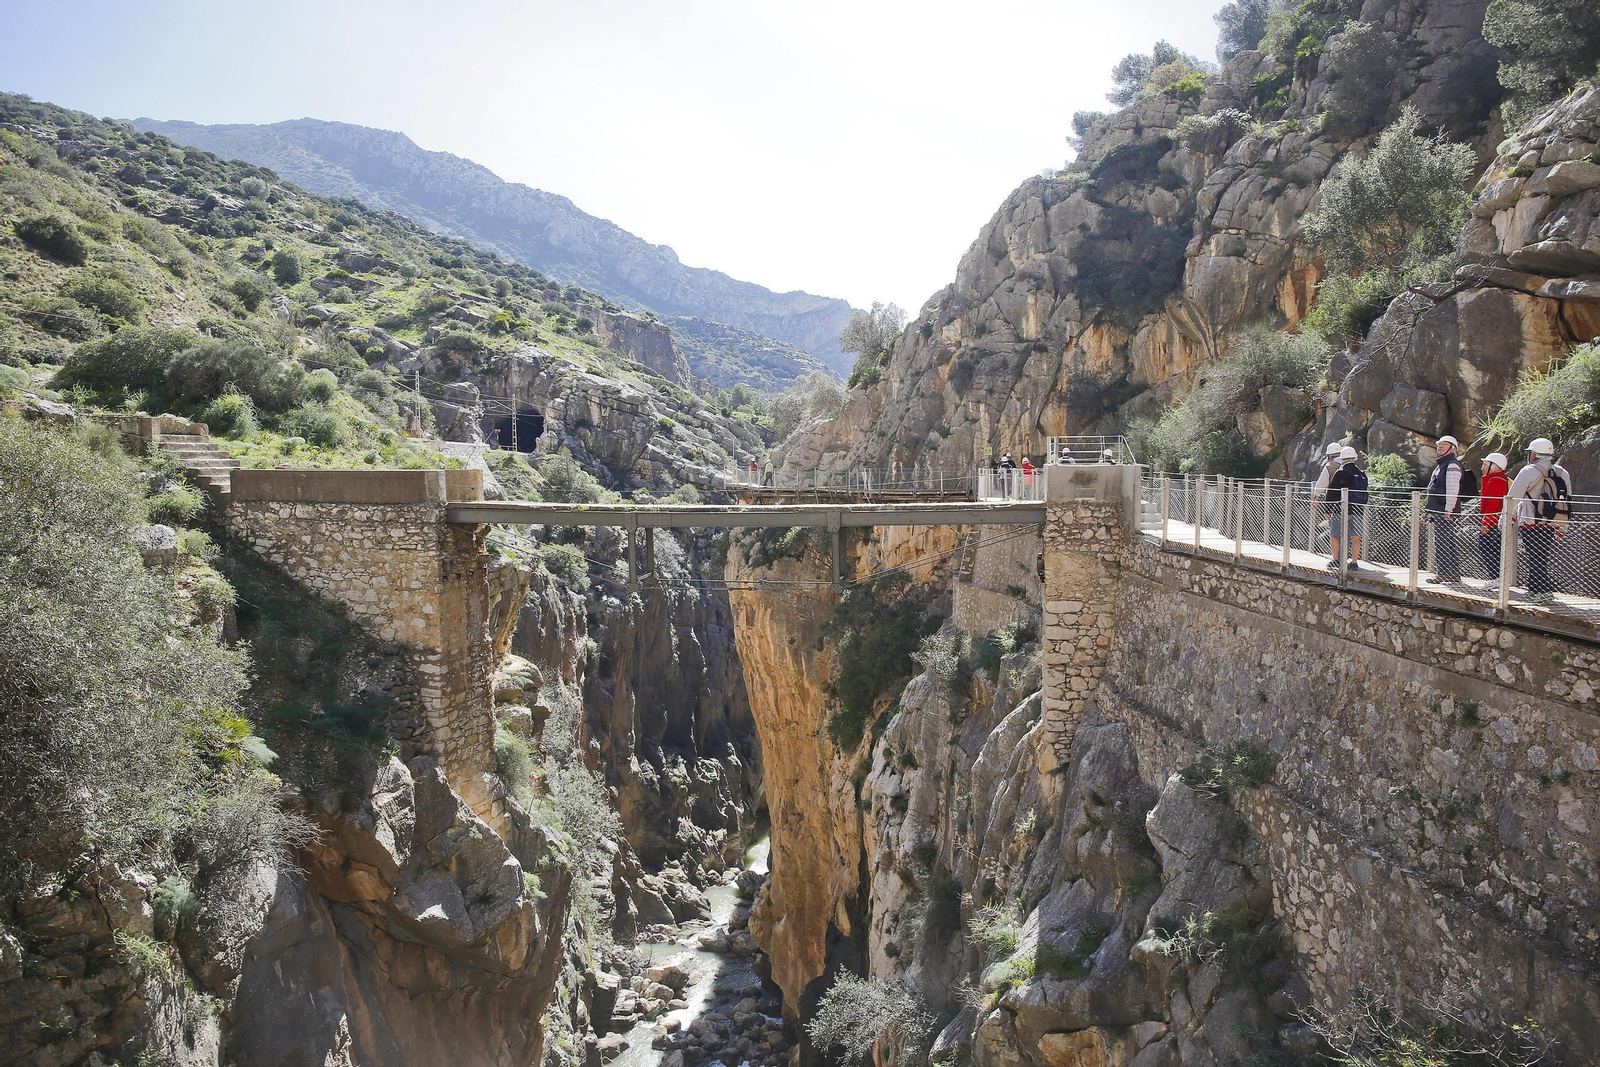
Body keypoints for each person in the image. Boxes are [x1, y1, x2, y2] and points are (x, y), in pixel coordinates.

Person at [1505, 437, 1572, 603]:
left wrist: (1504, 519)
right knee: (1542, 555)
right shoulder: (1562, 472)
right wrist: (1563, 526)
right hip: (1551, 521)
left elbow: (1513, 497)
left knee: (1533, 556)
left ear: (1534, 455)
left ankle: (1543, 590)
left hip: (1530, 520)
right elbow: (1567, 500)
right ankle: (1534, 590)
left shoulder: (1528, 471)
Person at [1424, 435, 1465, 583]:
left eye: (1444, 444)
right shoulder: (1442, 464)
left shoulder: (1452, 465)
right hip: (1441, 509)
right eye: (1439, 444)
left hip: (1444, 510)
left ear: (1452, 448)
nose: (1439, 446)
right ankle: (1453, 573)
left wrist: (1448, 510)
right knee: (1446, 540)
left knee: (1441, 541)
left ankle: (1443, 573)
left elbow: (1453, 489)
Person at [1325, 445, 1367, 571]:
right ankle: (1354, 562)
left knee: (1335, 534)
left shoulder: (1341, 472)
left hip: (1340, 509)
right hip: (1358, 509)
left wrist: (1327, 509)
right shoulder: (1362, 474)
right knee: (1356, 537)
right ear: (1355, 458)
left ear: (1342, 459)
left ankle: (1336, 560)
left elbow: (1332, 492)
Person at [1477, 451, 1509, 579]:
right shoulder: (1496, 479)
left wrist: (1486, 523)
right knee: (1492, 549)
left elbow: (1493, 504)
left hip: (1493, 522)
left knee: (1488, 547)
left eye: (1485, 464)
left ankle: (1495, 577)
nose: (1482, 468)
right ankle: (1496, 577)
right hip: (1495, 521)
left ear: (1493, 466)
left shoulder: (1496, 480)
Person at [1311, 443, 1343, 551]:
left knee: (1334, 532)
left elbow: (1321, 485)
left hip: (1334, 504)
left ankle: (1336, 558)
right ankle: (1351, 559)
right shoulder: (1348, 465)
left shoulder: (1330, 466)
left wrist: (1316, 498)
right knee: (1350, 533)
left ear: (1329, 456)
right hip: (1353, 504)